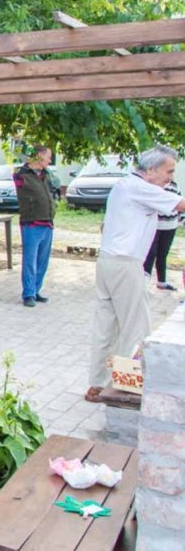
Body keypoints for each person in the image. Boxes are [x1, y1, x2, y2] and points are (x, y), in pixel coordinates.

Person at [86, 145, 185, 403]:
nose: (170, 178)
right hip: (125, 264)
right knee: (136, 328)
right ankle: (127, 389)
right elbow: (181, 204)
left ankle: (97, 384)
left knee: (106, 328)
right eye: (169, 171)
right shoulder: (142, 188)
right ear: (151, 170)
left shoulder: (123, 185)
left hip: (108, 262)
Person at [13, 146, 56, 307]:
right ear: (39, 156)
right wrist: (30, 165)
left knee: (42, 261)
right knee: (30, 260)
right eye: (48, 157)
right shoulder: (22, 174)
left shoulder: (46, 175)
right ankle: (28, 294)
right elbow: (17, 176)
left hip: (47, 222)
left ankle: (36, 289)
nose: (50, 161)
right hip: (31, 223)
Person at [143, 180, 180, 290]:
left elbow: (179, 204)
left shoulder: (174, 185)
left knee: (163, 254)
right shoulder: (154, 185)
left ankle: (162, 281)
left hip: (170, 225)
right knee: (150, 253)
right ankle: (144, 284)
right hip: (155, 225)